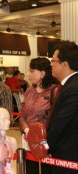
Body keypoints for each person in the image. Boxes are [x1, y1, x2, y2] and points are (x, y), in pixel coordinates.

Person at [19, 57, 58, 174]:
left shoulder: (55, 91)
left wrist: (39, 136)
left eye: (32, 71)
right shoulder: (30, 90)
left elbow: (56, 120)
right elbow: (22, 116)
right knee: (31, 169)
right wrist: (28, 131)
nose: (27, 74)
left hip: (46, 143)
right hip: (28, 142)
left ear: (42, 73)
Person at [47, 41, 78, 174]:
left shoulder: (73, 88)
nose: (51, 64)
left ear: (64, 64)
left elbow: (61, 124)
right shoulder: (67, 85)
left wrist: (44, 146)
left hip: (68, 157)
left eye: (53, 60)